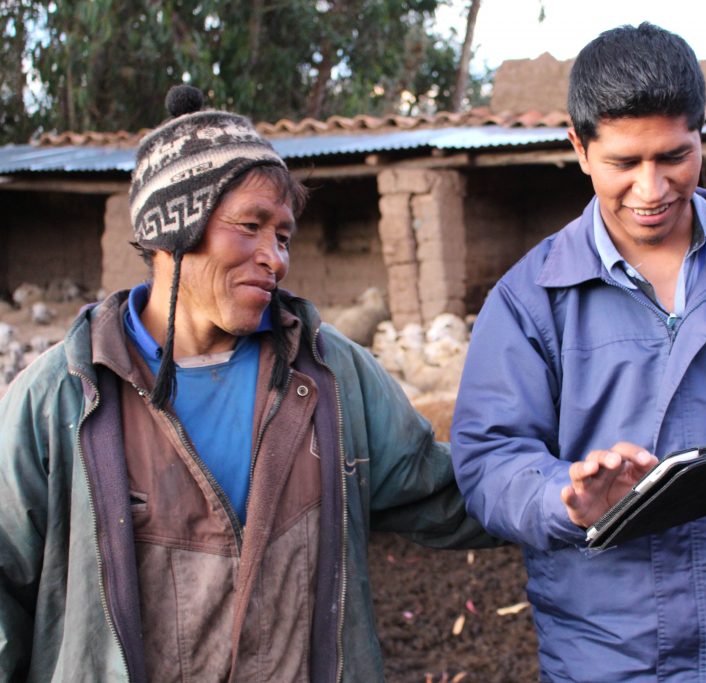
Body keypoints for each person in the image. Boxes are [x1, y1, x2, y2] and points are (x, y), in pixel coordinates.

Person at [0, 85, 492, 682]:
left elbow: (440, 492)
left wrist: (554, 492)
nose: (275, 258)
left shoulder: (328, 372)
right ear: (172, 231)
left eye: (282, 236)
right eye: (249, 226)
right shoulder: (65, 394)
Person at [451, 22, 706, 682]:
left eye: (674, 156)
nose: (651, 188)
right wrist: (566, 496)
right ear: (579, 148)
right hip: (610, 655)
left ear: (703, 135)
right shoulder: (531, 299)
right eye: (623, 162)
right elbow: (488, 458)